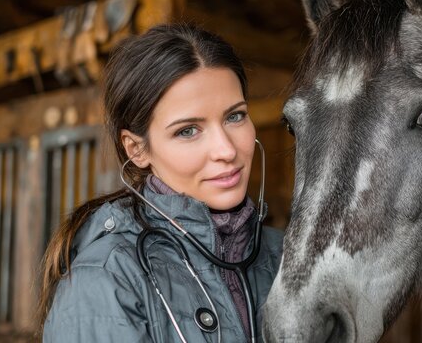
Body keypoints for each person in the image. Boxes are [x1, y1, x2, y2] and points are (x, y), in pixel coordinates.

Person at [36, 23, 284, 342]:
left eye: (234, 116)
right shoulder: (106, 278)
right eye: (187, 131)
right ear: (137, 149)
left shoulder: (287, 254)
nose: (226, 150)